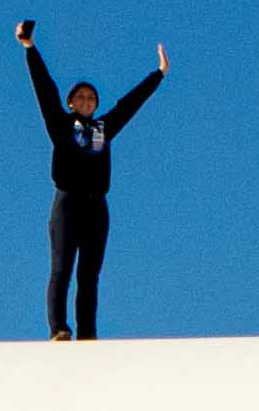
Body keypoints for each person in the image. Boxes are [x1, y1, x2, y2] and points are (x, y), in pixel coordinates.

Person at [19, 18, 165, 339]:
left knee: (90, 276)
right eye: (80, 98)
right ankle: (58, 328)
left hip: (97, 207)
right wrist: (30, 49)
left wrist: (158, 75)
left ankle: (87, 334)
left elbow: (130, 104)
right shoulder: (61, 126)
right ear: (71, 103)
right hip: (67, 203)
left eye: (91, 98)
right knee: (61, 269)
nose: (86, 101)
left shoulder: (103, 130)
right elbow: (45, 89)